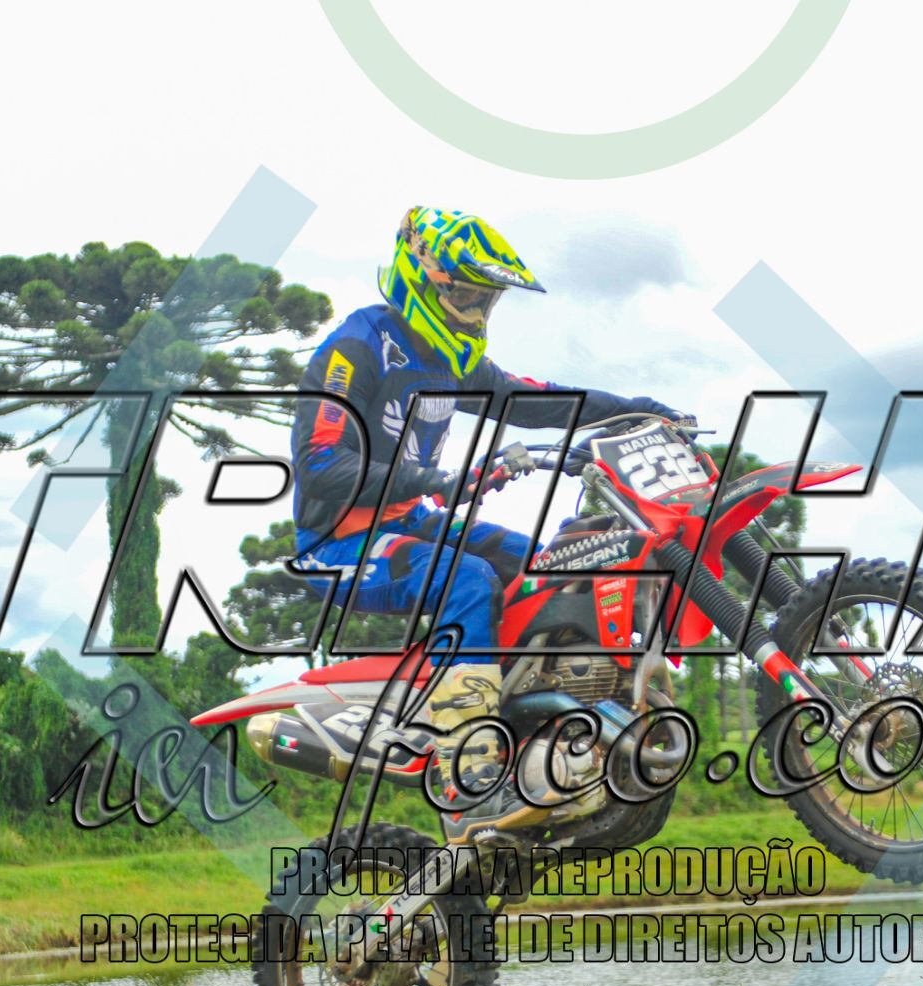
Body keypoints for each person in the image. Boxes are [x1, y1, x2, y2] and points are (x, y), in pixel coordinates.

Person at [289, 207, 688, 781]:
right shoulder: (358, 347)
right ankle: (467, 755)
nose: (477, 314)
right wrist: (432, 481)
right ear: (424, 279)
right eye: (468, 297)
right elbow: (321, 464)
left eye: (486, 301)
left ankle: (545, 721)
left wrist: (634, 409)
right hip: (334, 544)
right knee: (468, 580)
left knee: (546, 568)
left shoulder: (452, 359)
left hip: (407, 521)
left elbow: (539, 400)